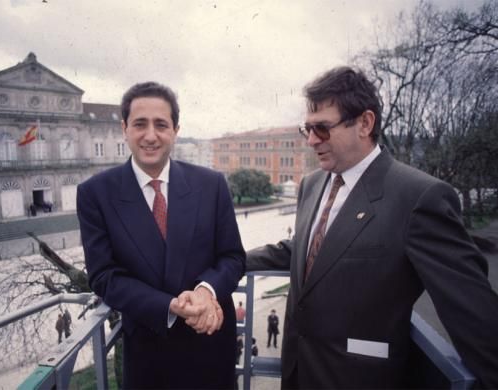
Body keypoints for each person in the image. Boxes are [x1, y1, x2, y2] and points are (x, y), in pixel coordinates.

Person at [246, 66, 498, 388]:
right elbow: (309, 250)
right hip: (298, 372)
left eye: (322, 129)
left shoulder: (420, 197)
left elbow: (473, 312)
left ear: (365, 123)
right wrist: (229, 261)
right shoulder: (312, 184)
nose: (310, 141)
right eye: (306, 129)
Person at [77, 81, 245, 389]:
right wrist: (169, 306)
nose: (151, 135)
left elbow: (232, 257)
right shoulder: (95, 194)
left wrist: (206, 291)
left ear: (176, 130)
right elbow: (103, 276)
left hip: (210, 345)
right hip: (149, 354)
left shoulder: (211, 184)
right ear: (124, 128)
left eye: (161, 125)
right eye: (140, 124)